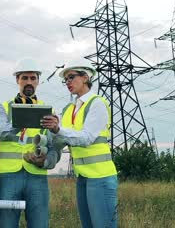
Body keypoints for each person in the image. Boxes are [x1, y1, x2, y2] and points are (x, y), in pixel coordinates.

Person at [40, 62, 118, 228]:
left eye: (71, 77)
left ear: (85, 78)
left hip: (100, 176)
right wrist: (44, 147)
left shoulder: (97, 103)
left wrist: (58, 128)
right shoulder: (69, 109)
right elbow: (61, 139)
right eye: (66, 79)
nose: (68, 82)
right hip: (83, 178)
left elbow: (86, 138)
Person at [0, 58, 61, 228]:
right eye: (24, 78)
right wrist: (21, 121)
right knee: (7, 224)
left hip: (37, 175)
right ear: (17, 80)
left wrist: (45, 161)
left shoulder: (49, 111)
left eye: (33, 78)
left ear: (38, 81)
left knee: (39, 224)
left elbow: (55, 146)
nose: (28, 82)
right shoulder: (4, 107)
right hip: (10, 176)